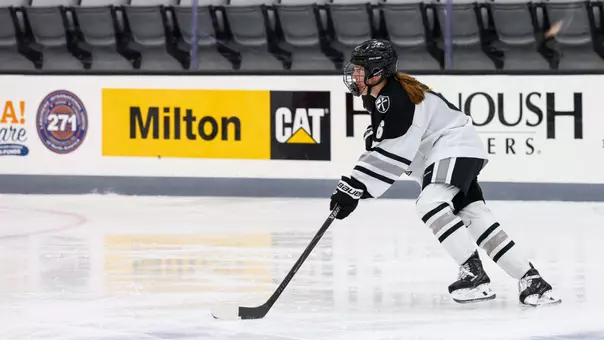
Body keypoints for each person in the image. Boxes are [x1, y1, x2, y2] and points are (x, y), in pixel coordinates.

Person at [329, 39, 561, 307]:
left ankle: (473, 274)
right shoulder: (385, 96)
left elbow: (394, 151)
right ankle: (532, 280)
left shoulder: (394, 98)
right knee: (475, 218)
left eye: (360, 69)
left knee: (431, 204)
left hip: (454, 147)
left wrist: (352, 187)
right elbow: (401, 141)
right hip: (456, 150)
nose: (354, 74)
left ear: (377, 71)